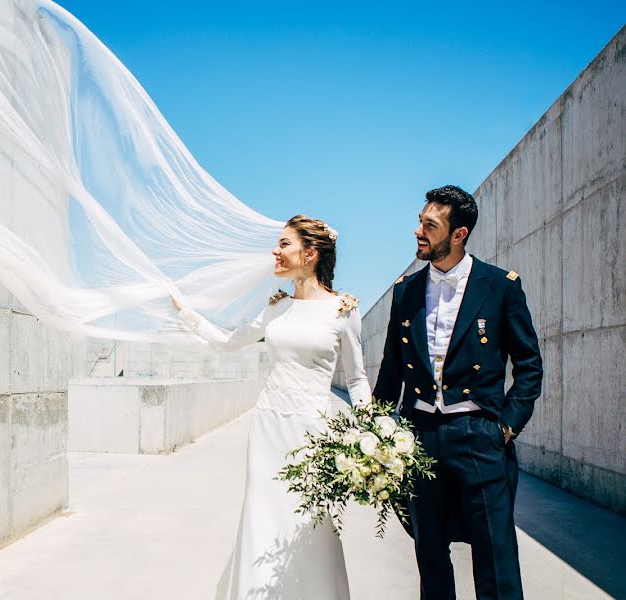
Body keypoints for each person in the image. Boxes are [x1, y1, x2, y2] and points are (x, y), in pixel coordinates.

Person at [171, 215, 370, 599]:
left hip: (314, 432)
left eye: (284, 244)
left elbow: (358, 378)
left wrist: (366, 437)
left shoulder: (343, 309)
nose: (274, 252)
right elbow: (231, 341)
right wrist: (188, 315)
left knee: (309, 523)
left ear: (310, 253)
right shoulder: (276, 307)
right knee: (262, 515)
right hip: (268, 427)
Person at [374, 185, 543, 600]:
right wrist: (376, 430)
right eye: (420, 221)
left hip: (479, 434)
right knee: (429, 551)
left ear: (459, 234)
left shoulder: (500, 286)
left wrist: (506, 427)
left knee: (495, 554)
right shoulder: (405, 292)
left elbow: (529, 365)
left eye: (430, 225)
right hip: (419, 436)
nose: (419, 231)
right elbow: (392, 368)